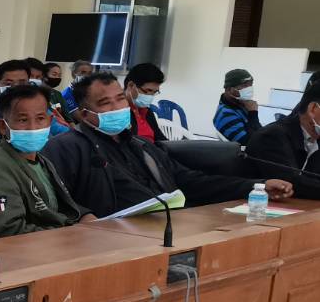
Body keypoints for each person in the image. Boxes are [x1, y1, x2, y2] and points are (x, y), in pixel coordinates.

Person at [42, 71, 293, 218]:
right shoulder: (68, 147)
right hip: (111, 238)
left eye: (120, 99)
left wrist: (257, 186)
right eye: (106, 103)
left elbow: (191, 181)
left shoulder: (141, 146)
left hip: (168, 225)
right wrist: (85, 217)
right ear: (84, 114)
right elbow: (55, 203)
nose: (118, 108)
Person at [0, 84, 90, 239]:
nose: (32, 127)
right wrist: (66, 235)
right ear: (3, 126)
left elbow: (58, 207)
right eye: (23, 120)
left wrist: (85, 216)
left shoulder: (41, 159)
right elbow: (5, 232)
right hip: (32, 249)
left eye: (40, 118)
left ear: (49, 122)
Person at [243, 80, 320, 199]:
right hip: (253, 206)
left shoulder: (315, 138)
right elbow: (292, 184)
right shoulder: (272, 136)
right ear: (313, 109)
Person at [214, 68, 261, 145]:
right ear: (229, 89)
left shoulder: (240, 105)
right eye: (245, 85)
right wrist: (253, 114)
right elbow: (253, 144)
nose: (249, 88)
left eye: (250, 85)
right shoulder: (226, 114)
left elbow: (259, 133)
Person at [122, 63, 168, 142]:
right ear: (130, 85)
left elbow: (161, 140)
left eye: (154, 92)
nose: (150, 96)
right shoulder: (118, 112)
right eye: (147, 91)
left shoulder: (147, 111)